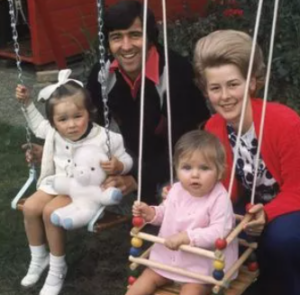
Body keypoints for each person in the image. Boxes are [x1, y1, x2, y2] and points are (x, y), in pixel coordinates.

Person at [194, 30, 300, 295]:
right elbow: (224, 188)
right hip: (252, 205)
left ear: (251, 83)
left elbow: (297, 189)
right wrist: (188, 190)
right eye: (215, 88)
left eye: (233, 84)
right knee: (219, 232)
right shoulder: (214, 127)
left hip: (290, 204)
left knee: (279, 238)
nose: (225, 96)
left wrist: (267, 214)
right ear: (206, 91)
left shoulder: (285, 122)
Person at [15, 69, 133, 295]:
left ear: (90, 113)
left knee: (50, 212)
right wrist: (28, 102)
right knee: (30, 207)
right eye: (62, 119)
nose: (71, 125)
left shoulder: (105, 138)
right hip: (58, 182)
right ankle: (39, 258)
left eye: (77, 116)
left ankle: (58, 267)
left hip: (85, 191)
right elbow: (37, 126)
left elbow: (126, 160)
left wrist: (119, 166)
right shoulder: (54, 132)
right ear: (54, 122)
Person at [86, 0, 210, 204]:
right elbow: (91, 127)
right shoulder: (101, 74)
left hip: (180, 158)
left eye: (135, 35)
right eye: (117, 37)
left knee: (165, 209)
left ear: (150, 36)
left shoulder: (175, 73)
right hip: (128, 155)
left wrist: (137, 179)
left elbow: (186, 144)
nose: (126, 46)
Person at [126, 130, 238, 295]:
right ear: (177, 169)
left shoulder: (220, 198)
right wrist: (151, 213)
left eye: (204, 168)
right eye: (186, 167)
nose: (194, 174)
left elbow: (218, 232)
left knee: (192, 291)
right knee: (145, 280)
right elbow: (167, 212)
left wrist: (187, 237)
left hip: (199, 265)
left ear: (220, 172)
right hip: (167, 258)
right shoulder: (177, 190)